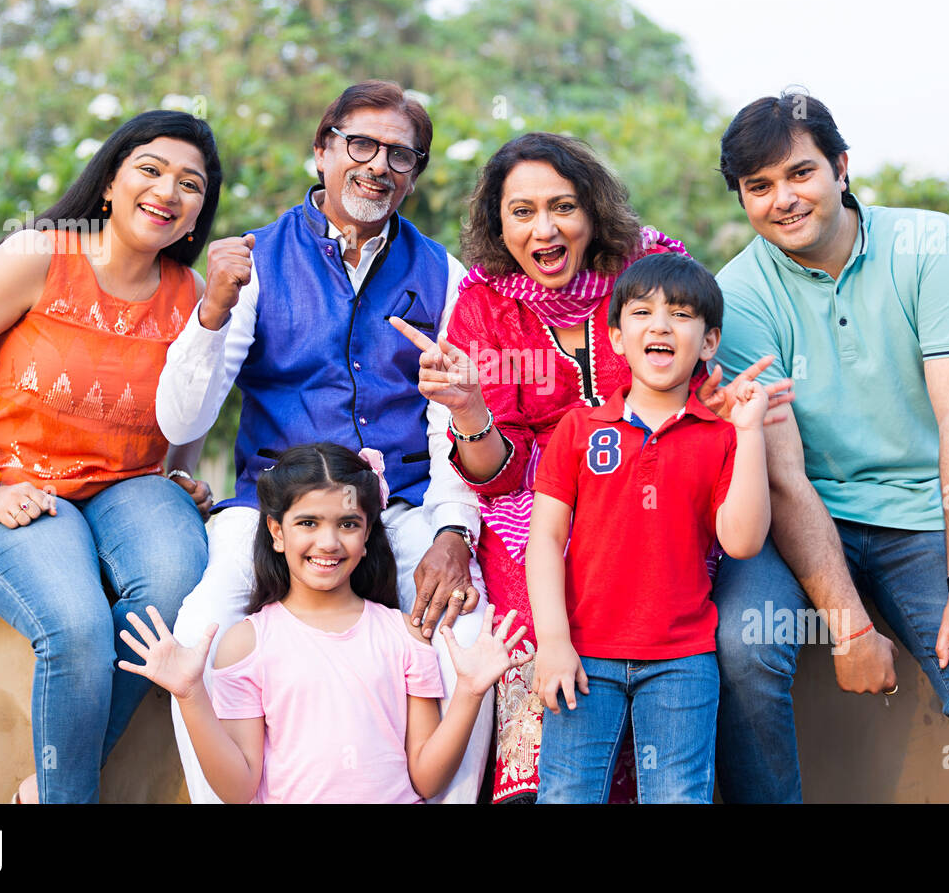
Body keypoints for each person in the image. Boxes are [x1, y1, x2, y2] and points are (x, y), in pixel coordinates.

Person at [711, 90, 949, 803]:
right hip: (800, 524)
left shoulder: (929, 245)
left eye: (800, 173)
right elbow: (785, 480)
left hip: (923, 523)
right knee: (741, 651)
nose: (784, 198)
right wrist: (849, 626)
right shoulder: (737, 294)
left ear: (841, 168)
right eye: (760, 186)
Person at [155, 81, 491, 804]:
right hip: (270, 503)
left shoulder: (446, 276)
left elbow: (447, 424)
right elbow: (182, 422)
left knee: (470, 633)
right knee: (201, 630)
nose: (379, 166)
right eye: (360, 144)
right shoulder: (251, 263)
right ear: (322, 150)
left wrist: (455, 531)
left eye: (402, 154)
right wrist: (211, 310)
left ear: (416, 173)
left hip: (399, 501)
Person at [0, 110, 221, 803]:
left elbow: (186, 407)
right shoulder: (40, 255)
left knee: (175, 586)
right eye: (151, 169)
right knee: (77, 627)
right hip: (8, 485)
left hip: (127, 488)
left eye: (190, 184)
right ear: (109, 181)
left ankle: (47, 788)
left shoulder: (190, 296)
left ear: (198, 215)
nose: (168, 191)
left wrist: (181, 477)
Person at [391, 131, 690, 802]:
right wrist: (470, 409)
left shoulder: (649, 272)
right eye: (522, 211)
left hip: (652, 494)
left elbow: (685, 398)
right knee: (527, 600)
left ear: (594, 211)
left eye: (562, 207)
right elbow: (495, 475)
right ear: (500, 224)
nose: (545, 228)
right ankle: (541, 787)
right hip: (529, 512)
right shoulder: (483, 302)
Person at [118, 443, 531, 803]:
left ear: (368, 534)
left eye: (348, 524)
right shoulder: (246, 644)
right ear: (277, 532)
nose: (329, 542)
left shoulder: (405, 635)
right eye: (308, 523)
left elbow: (426, 777)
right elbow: (239, 787)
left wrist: (470, 693)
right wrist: (191, 694)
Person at [525, 253, 789, 803]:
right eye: (642, 313)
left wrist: (748, 434)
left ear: (709, 341)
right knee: (566, 794)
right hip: (582, 655)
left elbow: (741, 541)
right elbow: (545, 539)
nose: (661, 325)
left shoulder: (720, 437)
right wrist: (551, 641)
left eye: (682, 314)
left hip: (681, 661)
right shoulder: (580, 428)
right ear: (617, 337)